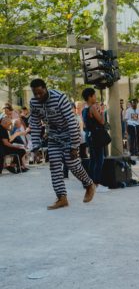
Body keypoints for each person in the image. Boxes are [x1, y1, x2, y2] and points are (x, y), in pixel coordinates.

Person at [29, 79, 96, 209]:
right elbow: (35, 124)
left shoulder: (59, 98)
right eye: (35, 94)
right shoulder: (34, 103)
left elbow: (71, 121)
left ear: (45, 88)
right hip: (53, 136)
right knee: (54, 165)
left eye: (40, 93)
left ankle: (88, 184)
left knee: (72, 163)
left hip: (69, 133)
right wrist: (36, 146)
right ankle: (61, 197)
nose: (38, 96)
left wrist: (74, 146)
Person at [82, 88, 108, 192]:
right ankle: (96, 184)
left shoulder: (84, 109)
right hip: (96, 137)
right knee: (99, 160)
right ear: (89, 97)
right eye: (94, 95)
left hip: (89, 136)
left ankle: (89, 183)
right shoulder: (92, 108)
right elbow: (102, 122)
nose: (95, 97)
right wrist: (102, 111)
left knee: (92, 160)